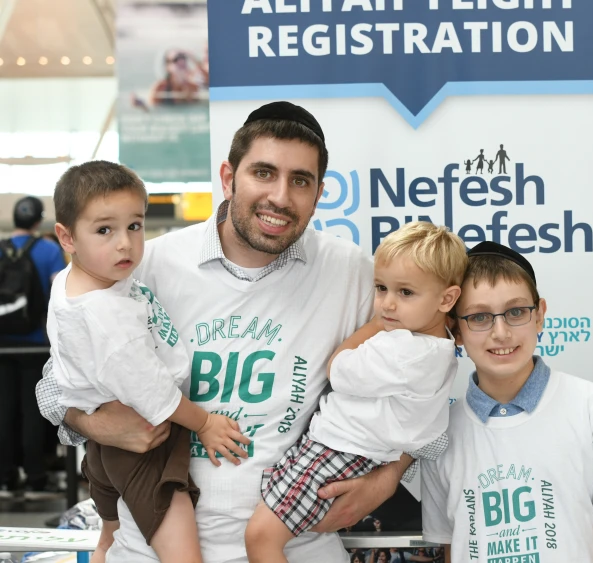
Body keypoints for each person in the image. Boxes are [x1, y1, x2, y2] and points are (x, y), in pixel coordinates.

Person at [36, 101, 412, 562]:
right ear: (229, 177)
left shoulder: (352, 272)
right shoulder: (146, 264)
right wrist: (89, 422)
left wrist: (390, 474)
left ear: (318, 193)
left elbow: (425, 380)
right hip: (148, 548)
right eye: (263, 173)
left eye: (301, 181)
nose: (280, 196)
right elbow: (55, 382)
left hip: (295, 546)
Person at [47, 161, 251, 563]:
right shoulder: (107, 319)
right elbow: (154, 395)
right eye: (104, 230)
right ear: (66, 237)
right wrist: (206, 423)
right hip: (142, 444)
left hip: (103, 448)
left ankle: (105, 544)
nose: (124, 243)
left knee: (114, 523)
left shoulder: (82, 280)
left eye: (134, 226)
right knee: (175, 525)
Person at [245, 221, 465, 563]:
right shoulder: (438, 348)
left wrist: (374, 325)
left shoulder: (405, 351)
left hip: (337, 451)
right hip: (351, 452)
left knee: (260, 537)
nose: (388, 304)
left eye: (405, 292)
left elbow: (338, 369)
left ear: (447, 299)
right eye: (381, 288)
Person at [421, 241, 593, 562]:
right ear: (455, 329)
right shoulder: (440, 432)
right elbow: (454, 546)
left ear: (539, 316)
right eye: (480, 316)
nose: (501, 332)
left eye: (516, 312)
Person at [0, 196, 65, 496]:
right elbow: (59, 296)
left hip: (3, 344)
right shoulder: (49, 250)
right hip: (36, 343)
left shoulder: (1, 249)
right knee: (33, 410)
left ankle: (5, 477)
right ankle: (36, 478)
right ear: (39, 221)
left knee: (3, 410)